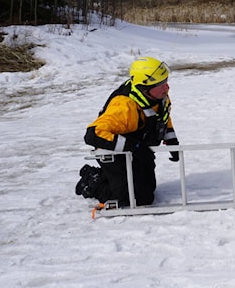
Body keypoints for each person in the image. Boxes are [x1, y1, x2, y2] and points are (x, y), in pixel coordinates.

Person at [75, 57, 180, 207]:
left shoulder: (159, 96)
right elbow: (93, 134)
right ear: (144, 88)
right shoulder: (124, 107)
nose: (166, 88)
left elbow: (162, 118)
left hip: (138, 150)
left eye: (166, 81)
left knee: (147, 193)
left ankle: (112, 179)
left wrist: (172, 142)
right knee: (128, 200)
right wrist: (135, 147)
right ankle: (91, 179)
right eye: (160, 85)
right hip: (113, 152)